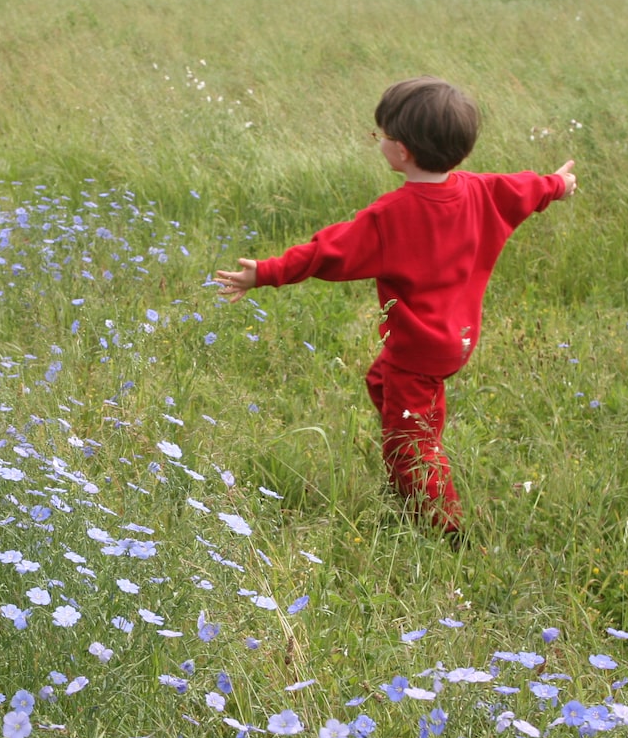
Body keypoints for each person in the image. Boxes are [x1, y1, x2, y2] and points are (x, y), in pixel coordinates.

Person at [214, 77, 576, 533]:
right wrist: (559, 184)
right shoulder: (484, 190)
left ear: (401, 151)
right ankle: (413, 437)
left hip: (419, 349)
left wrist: (264, 272)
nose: (378, 142)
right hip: (455, 338)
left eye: (380, 135)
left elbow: (328, 251)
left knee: (411, 444)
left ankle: (443, 528)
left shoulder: (392, 215)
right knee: (382, 381)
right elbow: (529, 188)